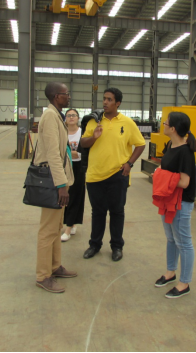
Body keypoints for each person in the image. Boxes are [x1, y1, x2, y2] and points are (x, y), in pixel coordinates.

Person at [81, 88, 146, 262]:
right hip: (95, 174)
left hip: (118, 174)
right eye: (104, 99)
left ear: (118, 103)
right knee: (98, 212)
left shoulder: (127, 123)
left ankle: (117, 246)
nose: (105, 102)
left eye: (109, 99)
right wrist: (94, 137)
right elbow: (83, 143)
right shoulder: (94, 121)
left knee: (117, 212)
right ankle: (94, 245)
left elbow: (140, 144)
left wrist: (129, 163)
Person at [33, 82, 77, 294]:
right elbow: (52, 153)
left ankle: (54, 266)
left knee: (56, 227)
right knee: (48, 230)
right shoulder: (50, 116)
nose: (68, 96)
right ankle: (43, 276)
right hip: (53, 181)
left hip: (60, 180)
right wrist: (61, 185)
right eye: (66, 94)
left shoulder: (57, 115)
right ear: (56, 96)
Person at [153, 112, 196, 299]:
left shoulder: (186, 152)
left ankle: (184, 283)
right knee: (171, 238)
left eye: (165, 123)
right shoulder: (170, 145)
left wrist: (159, 176)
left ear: (173, 128)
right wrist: (160, 172)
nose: (163, 124)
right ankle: (170, 272)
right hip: (168, 199)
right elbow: (166, 169)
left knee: (184, 243)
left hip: (181, 202)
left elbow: (185, 182)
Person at [62, 109, 86, 242]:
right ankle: (71, 224)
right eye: (69, 115)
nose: (71, 117)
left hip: (78, 167)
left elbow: (85, 152)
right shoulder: (62, 131)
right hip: (64, 167)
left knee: (76, 197)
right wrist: (72, 154)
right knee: (64, 195)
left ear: (78, 118)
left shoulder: (83, 132)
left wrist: (75, 154)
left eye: (74, 115)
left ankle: (68, 229)